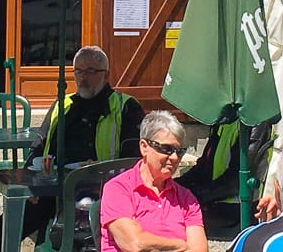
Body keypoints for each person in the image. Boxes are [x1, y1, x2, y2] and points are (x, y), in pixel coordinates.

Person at [25, 46, 145, 243]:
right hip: (52, 189)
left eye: (90, 71)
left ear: (105, 76)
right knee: (12, 217)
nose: (83, 77)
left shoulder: (125, 106)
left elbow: (133, 159)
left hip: (100, 190)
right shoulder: (62, 106)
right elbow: (38, 147)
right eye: (78, 71)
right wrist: (31, 181)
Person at [100, 111, 208, 252]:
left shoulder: (186, 198)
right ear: (144, 147)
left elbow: (199, 249)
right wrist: (179, 245)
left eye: (180, 151)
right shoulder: (118, 189)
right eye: (167, 149)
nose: (175, 157)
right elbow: (134, 244)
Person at [175, 118, 273, 229]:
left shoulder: (256, 123)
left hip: (238, 208)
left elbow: (235, 182)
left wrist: (196, 196)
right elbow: (203, 166)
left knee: (174, 214)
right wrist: (174, 186)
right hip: (215, 200)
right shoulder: (225, 122)